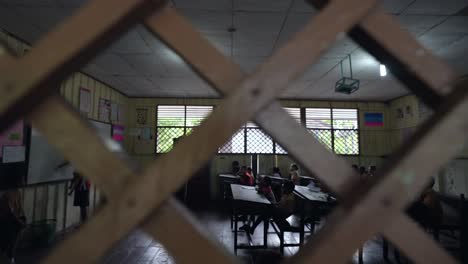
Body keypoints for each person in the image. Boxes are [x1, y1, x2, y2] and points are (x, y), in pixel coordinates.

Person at [0, 187, 26, 264]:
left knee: (13, 239)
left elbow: (20, 207)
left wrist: (23, 218)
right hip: (6, 220)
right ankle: (9, 255)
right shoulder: (6, 194)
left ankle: (10, 255)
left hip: (14, 219)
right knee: (8, 240)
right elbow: (10, 212)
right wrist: (20, 222)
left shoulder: (17, 192)